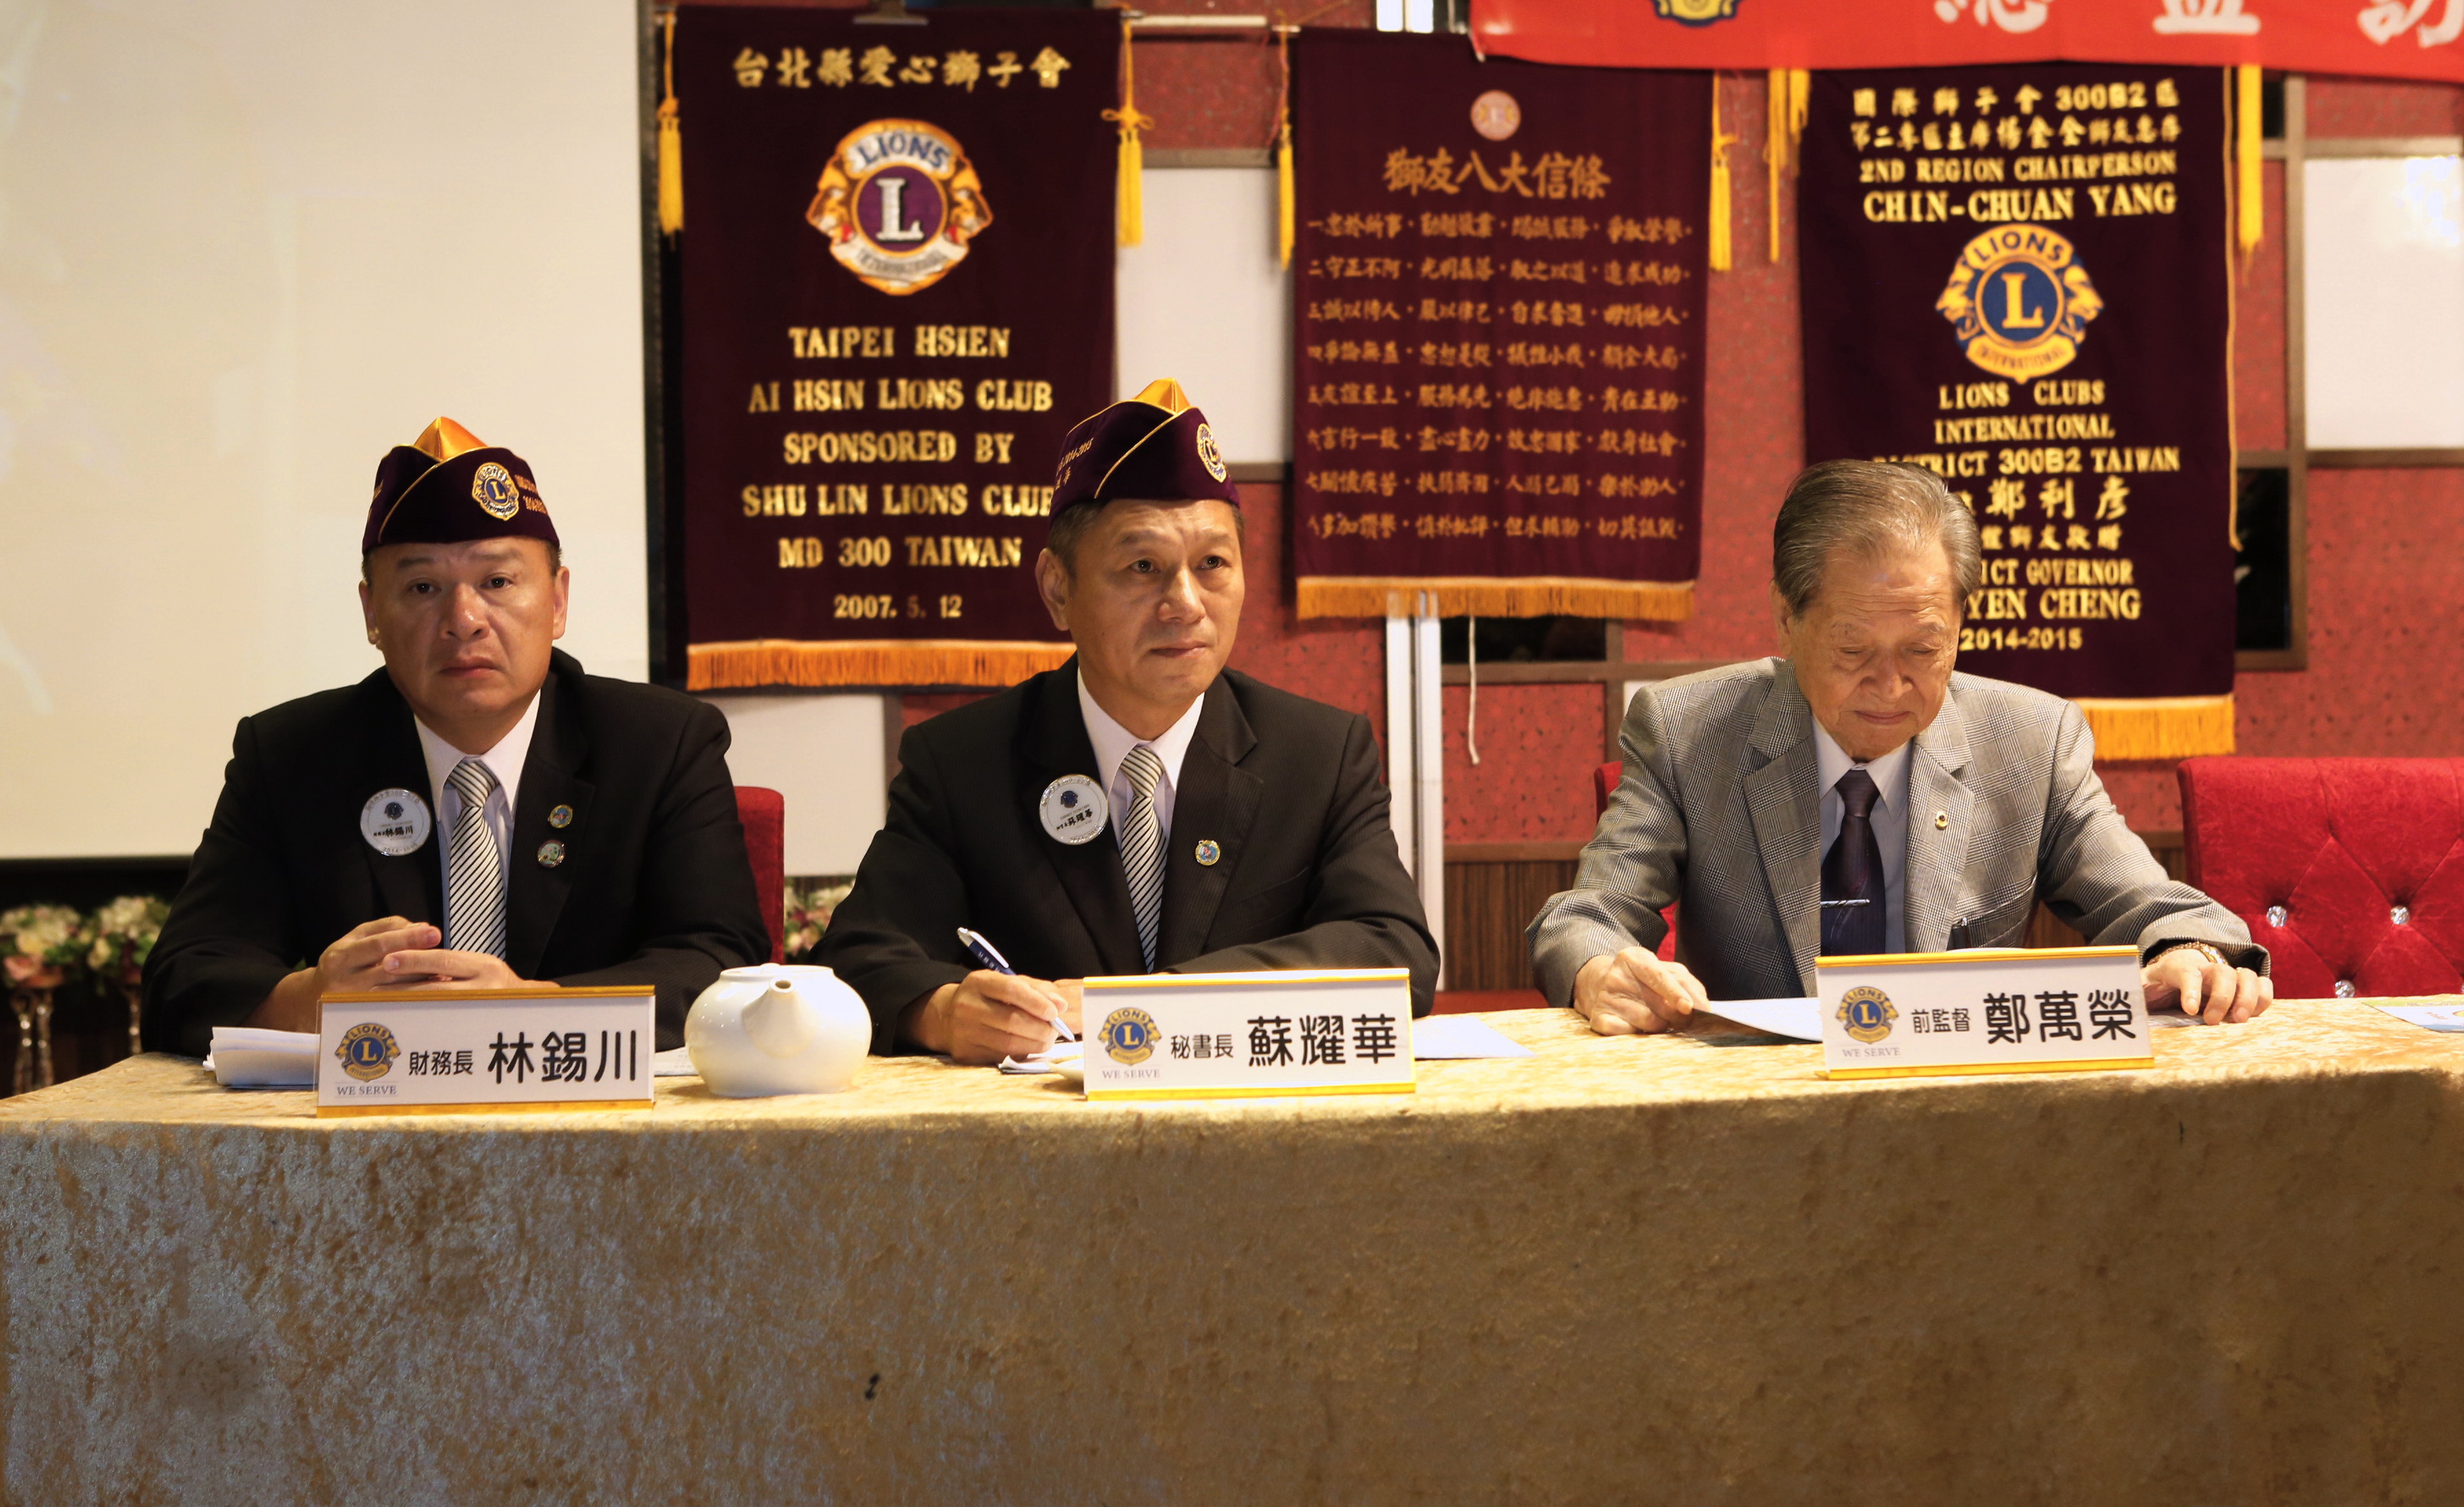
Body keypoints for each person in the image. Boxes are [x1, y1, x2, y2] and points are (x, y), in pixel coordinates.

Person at [1530, 459, 2271, 1034]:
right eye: (1853, 650)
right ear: (1786, 620)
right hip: (1758, 1113)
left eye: (1922, 649)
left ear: (1961, 627)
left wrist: (2192, 953)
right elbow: (1585, 917)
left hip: (1962, 1113)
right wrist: (1597, 969)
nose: (1889, 686)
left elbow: (2161, 908)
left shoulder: (2031, 740)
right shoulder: (1688, 730)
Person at [818, 378, 1438, 1063]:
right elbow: (857, 957)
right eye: (1143, 567)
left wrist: (1155, 1002)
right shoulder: (963, 761)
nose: (1185, 603)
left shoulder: (1317, 753)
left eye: (1212, 565)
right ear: (1058, 589)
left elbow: (1394, 950)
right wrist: (940, 1012)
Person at [144, 418, 772, 1056]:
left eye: (497, 583)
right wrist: (311, 1001)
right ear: (371, 613)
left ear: (557, 602)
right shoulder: (291, 757)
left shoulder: (658, 744)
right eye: (423, 588)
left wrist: (538, 1009)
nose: (464, 620)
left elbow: (721, 959)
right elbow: (185, 977)